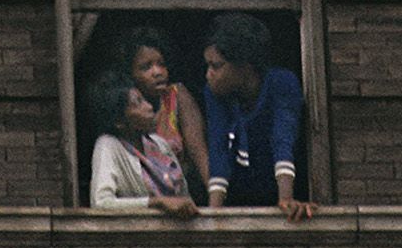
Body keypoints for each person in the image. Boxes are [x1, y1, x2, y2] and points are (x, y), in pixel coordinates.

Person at [203, 12, 313, 219]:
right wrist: (213, 214)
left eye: (216, 66)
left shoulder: (281, 83)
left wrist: (286, 199)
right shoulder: (215, 94)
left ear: (245, 65)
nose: (209, 74)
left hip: (285, 190)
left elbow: (283, 137)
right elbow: (218, 149)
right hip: (240, 197)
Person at [88, 72, 198, 215]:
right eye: (137, 103)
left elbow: (184, 197)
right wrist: (156, 202)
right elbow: (101, 202)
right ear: (119, 122)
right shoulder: (108, 145)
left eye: (144, 100)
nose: (149, 106)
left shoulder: (159, 144)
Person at [119, 25, 211, 192]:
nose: (157, 72)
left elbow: (200, 154)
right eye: (146, 67)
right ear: (130, 74)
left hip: (180, 198)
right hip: (139, 200)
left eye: (161, 64)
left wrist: (217, 209)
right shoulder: (123, 107)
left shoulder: (177, 97)